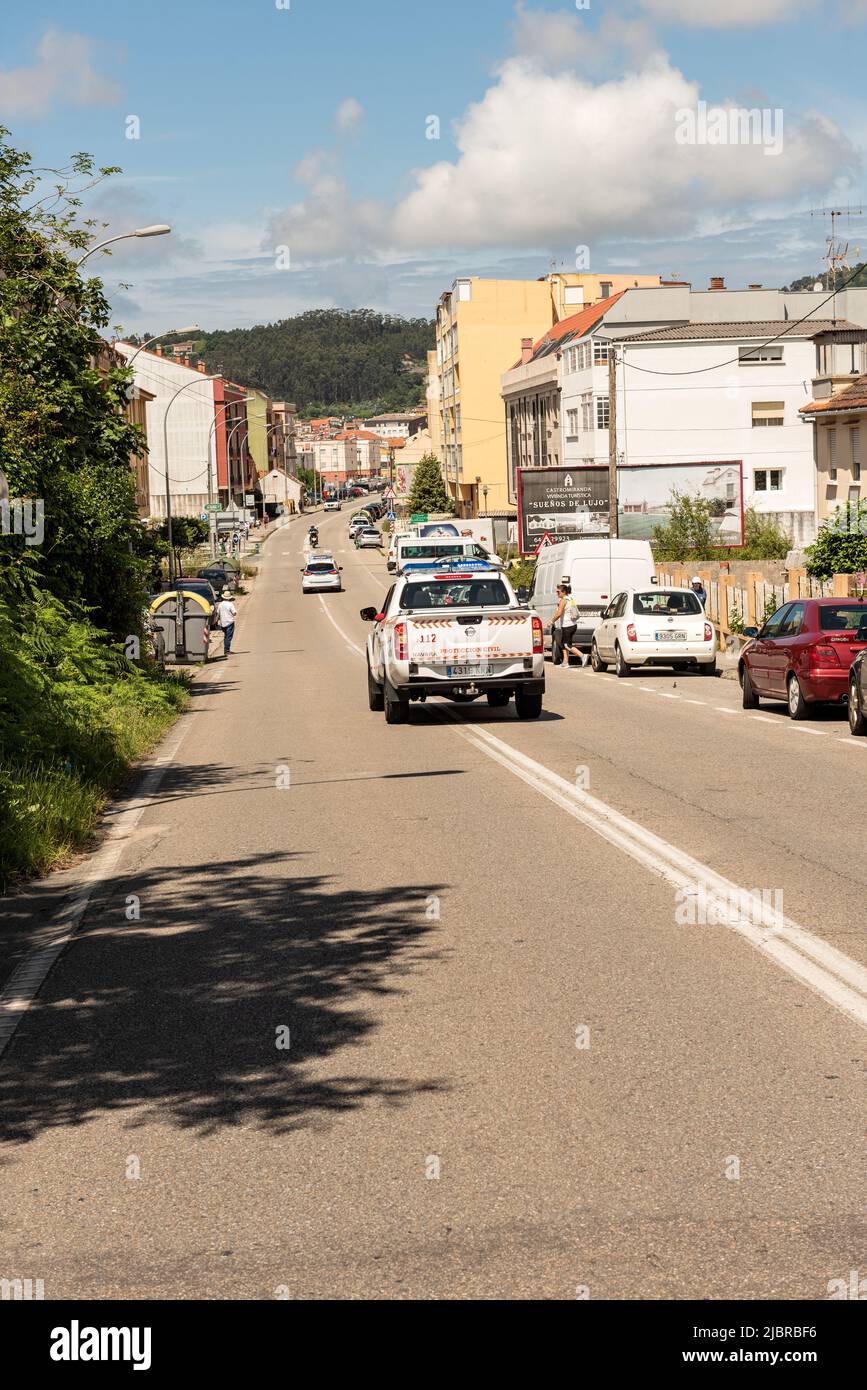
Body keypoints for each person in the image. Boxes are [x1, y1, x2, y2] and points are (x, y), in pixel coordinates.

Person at [216, 588, 236, 658]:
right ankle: (227, 650)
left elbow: (217, 613)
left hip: (223, 623)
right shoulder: (230, 604)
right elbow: (234, 613)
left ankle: (226, 650)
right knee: (229, 636)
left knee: (226, 636)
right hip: (229, 622)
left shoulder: (220, 604)